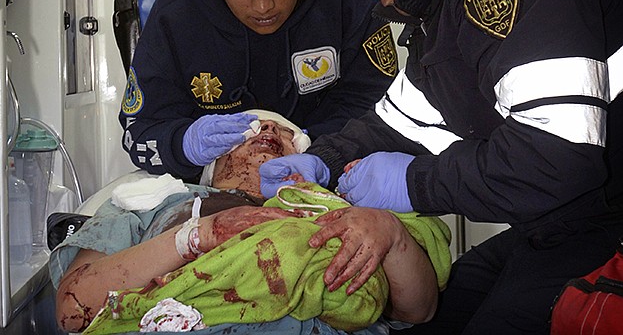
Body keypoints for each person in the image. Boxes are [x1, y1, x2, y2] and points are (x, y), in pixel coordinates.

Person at [258, 0, 623, 333]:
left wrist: (414, 183)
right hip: (562, 216)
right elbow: (404, 118)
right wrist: (325, 159)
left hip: (604, 216)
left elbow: (554, 158)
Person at [52, 110, 451, 334]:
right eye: (249, 128)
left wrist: (391, 233)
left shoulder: (345, 208)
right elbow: (74, 309)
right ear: (212, 158)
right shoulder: (152, 203)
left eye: (282, 130)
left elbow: (419, 311)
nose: (268, 130)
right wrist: (195, 236)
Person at [118, 0, 398, 182]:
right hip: (217, 190)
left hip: (328, 173)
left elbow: (381, 106)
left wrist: (318, 150)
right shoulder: (175, 15)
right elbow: (139, 132)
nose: (263, 6)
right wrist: (183, 145)